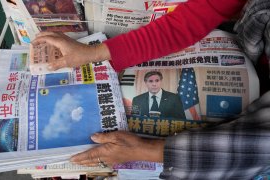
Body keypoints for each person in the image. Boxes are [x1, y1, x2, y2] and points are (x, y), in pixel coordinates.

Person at [32, 0, 270, 179]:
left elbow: (259, 148)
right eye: (152, 82)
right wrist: (95, 54)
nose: (154, 84)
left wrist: (147, 151)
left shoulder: (175, 99)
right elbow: (193, 17)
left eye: (156, 82)